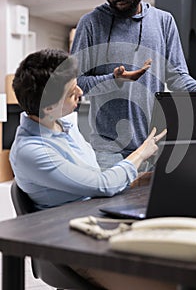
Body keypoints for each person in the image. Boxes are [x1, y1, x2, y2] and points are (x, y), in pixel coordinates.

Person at [9, 48, 173, 290]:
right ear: (47, 107)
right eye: (71, 91)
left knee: (179, 257)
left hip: (98, 223)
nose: (81, 92)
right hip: (74, 247)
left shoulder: (63, 125)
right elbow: (103, 185)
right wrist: (142, 152)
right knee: (170, 284)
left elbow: (93, 179)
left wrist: (138, 179)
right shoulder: (31, 151)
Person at [71, 0, 196, 170]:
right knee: (108, 205)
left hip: (153, 144)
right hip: (107, 150)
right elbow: (76, 85)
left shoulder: (163, 22)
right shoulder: (91, 23)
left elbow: (176, 77)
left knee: (152, 204)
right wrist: (114, 80)